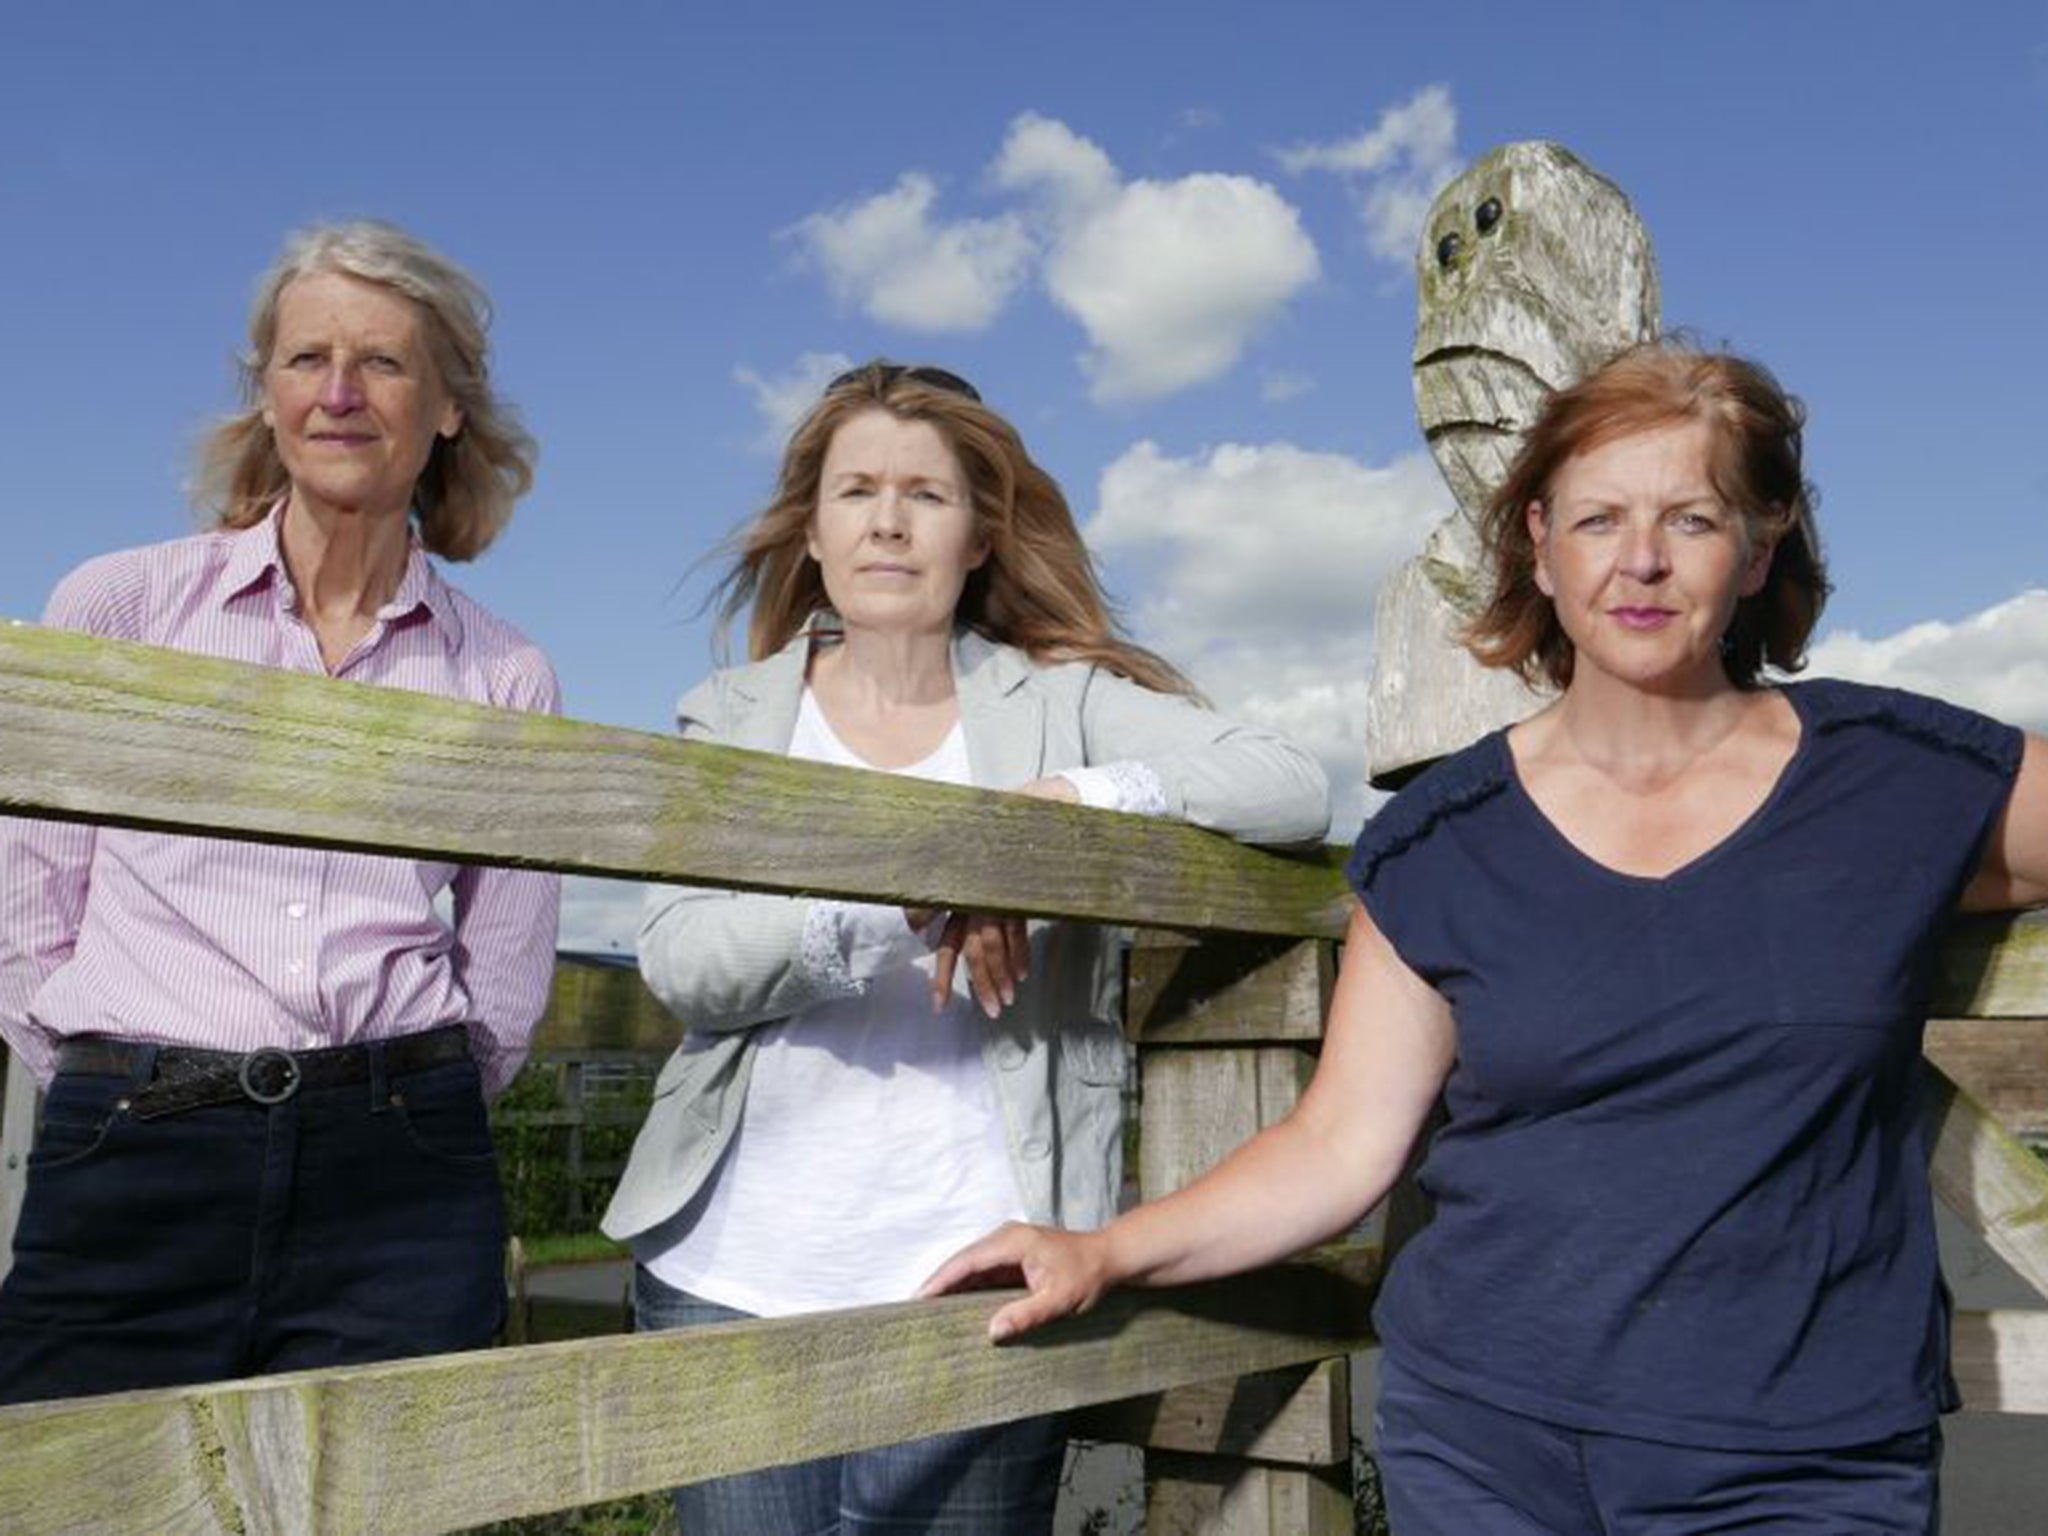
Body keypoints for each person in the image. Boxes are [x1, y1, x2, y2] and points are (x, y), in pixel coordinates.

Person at [925, 342, 2048, 1534]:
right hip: (1483, 1449)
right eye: (1598, 519)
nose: (1642, 560)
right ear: (1538, 545)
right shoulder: (1438, 842)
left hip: (1800, 1463)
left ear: (1757, 547)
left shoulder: (1890, 780)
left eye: (1691, 518)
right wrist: (1101, 1253)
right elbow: (1337, 1146)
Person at [604, 359, 1330, 1535]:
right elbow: (685, 962)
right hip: (734, 1270)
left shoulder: (1056, 699)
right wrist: (909, 892)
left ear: (981, 535)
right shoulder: (730, 714)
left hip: (982, 1271)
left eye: (925, 495)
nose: (887, 522)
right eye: (855, 492)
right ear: (812, 528)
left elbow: (1288, 781)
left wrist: (1040, 819)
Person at [0, 221, 561, 1404]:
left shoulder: (505, 676)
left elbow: (501, 986)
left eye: (386, 364)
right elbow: (27, 902)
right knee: (85, 1493)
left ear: (449, 407)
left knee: (386, 1502)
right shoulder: (119, 607)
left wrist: (402, 1103)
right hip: (137, 1149)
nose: (342, 394)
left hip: (398, 1170)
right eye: (308, 360)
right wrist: (114, 1081)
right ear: (265, 393)